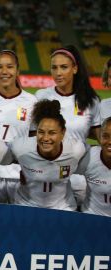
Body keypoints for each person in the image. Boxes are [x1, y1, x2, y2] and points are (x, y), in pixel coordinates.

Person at [35, 45, 101, 206]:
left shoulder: (91, 101)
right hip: (45, 174)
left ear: (75, 69)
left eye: (64, 67)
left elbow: (99, 136)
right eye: (54, 67)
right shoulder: (41, 96)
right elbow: (32, 136)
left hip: (78, 178)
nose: (58, 73)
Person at [0, 50, 37, 203]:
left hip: (20, 177)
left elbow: (33, 141)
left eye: (10, 67)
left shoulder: (32, 101)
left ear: (18, 70)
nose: (4, 71)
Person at [10, 100, 86, 211]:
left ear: (63, 133)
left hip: (64, 209)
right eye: (41, 132)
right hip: (26, 207)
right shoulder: (20, 147)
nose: (45, 138)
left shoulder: (76, 150)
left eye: (52, 133)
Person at [76, 117, 111, 216]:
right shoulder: (90, 156)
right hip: (91, 218)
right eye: (105, 136)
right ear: (100, 137)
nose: (109, 141)